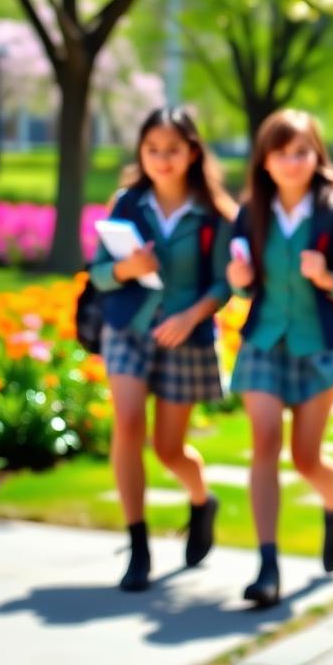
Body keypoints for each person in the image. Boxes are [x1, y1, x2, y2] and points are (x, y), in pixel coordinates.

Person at [226, 109, 333, 607]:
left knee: (306, 457)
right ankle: (267, 566)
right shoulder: (250, 215)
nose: (291, 162)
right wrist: (239, 280)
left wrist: (328, 277)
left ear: (316, 157)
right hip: (264, 344)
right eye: (281, 153)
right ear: (264, 161)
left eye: (301, 152)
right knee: (264, 443)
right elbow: (237, 276)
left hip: (318, 348)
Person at [89, 106, 236, 592]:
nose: (161, 159)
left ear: (192, 152)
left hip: (186, 337)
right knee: (128, 423)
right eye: (152, 150)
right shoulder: (128, 204)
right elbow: (98, 274)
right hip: (127, 329)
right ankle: (138, 545)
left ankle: (201, 501)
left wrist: (190, 316)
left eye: (172, 149)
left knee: (169, 448)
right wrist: (127, 269)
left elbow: (222, 285)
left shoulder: (214, 212)